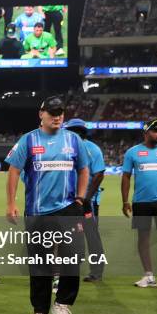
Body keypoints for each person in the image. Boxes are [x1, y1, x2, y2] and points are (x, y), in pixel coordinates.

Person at [5, 95, 89, 314]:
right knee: (40, 260)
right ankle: (40, 310)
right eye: (52, 112)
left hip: (68, 208)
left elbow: (84, 169)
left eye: (60, 112)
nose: (57, 116)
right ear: (41, 114)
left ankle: (62, 305)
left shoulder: (73, 140)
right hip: (37, 211)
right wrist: (11, 203)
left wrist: (81, 197)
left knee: (73, 256)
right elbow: (13, 171)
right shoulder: (28, 140)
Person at [121, 120, 157, 288]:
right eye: (156, 130)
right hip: (141, 203)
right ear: (146, 132)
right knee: (143, 238)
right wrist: (125, 201)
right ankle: (148, 275)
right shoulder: (133, 152)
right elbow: (125, 176)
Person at [64, 118, 106, 282]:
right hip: (69, 201)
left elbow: (99, 174)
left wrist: (86, 197)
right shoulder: (67, 148)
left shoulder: (92, 149)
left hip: (88, 202)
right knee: (73, 234)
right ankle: (73, 267)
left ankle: (96, 272)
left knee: (91, 235)